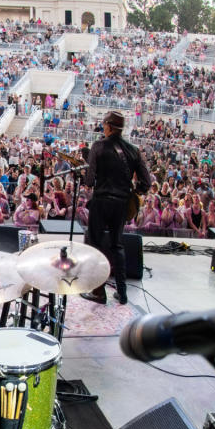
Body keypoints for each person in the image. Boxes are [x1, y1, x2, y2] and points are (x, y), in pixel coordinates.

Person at [81, 111, 151, 305]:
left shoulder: (98, 146)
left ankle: (98, 292)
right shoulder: (133, 150)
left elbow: (89, 180)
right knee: (117, 245)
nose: (102, 127)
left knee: (95, 244)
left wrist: (86, 170)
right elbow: (146, 183)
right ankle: (122, 292)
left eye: (103, 124)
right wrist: (131, 189)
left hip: (102, 200)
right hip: (121, 203)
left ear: (109, 126)